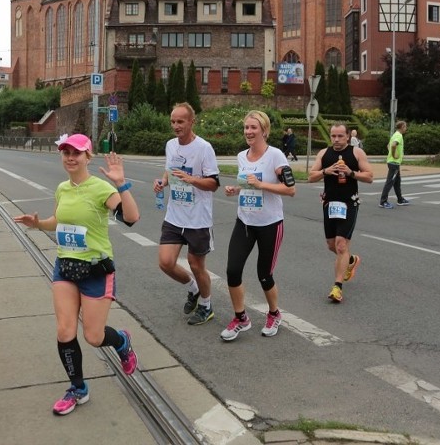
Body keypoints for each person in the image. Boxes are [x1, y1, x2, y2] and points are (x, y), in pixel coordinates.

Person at [14, 133, 141, 416]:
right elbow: (57, 221)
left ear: (88, 156)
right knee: (64, 330)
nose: (70, 157)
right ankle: (78, 388)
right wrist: (37, 224)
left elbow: (131, 218)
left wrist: (122, 184)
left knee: (94, 337)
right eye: (65, 152)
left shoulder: (102, 189)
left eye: (76, 153)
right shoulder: (62, 189)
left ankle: (121, 341)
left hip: (96, 270)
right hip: (66, 266)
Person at [221, 111, 296, 341]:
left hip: (270, 223)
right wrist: (237, 189)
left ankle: (274, 313)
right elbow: (248, 183)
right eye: (246, 128)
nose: (248, 132)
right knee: (232, 270)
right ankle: (241, 318)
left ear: (264, 130)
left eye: (253, 128)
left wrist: (262, 184)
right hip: (245, 221)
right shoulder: (242, 156)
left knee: (264, 274)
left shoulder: (276, 156)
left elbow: (291, 190)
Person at [153, 103, 220, 326]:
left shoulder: (204, 148)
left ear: (192, 121)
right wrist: (163, 182)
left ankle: (206, 306)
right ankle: (193, 289)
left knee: (196, 264)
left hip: (197, 218)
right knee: (165, 262)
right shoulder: (171, 145)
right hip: (175, 215)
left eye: (180, 121)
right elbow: (170, 170)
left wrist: (192, 179)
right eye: (173, 121)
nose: (176, 126)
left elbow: (213, 184)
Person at [308, 123, 374, 303]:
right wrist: (325, 171)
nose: (336, 140)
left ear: (347, 137)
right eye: (333, 136)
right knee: (332, 245)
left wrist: (351, 172)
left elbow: (369, 176)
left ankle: (337, 287)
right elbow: (310, 176)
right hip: (329, 203)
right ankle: (351, 260)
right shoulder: (324, 153)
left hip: (349, 203)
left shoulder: (356, 153)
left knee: (341, 245)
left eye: (340, 136)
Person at [379, 120, 409, 209]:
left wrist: (392, 153)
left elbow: (388, 145)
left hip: (394, 163)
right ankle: (383, 201)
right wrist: (393, 154)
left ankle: (400, 199)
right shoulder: (399, 136)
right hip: (394, 163)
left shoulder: (395, 134)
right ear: (402, 127)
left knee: (397, 182)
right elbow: (392, 145)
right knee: (390, 182)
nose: (406, 128)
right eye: (405, 127)